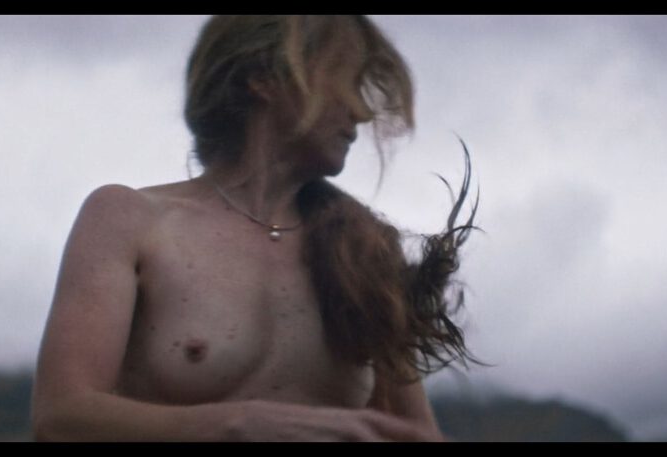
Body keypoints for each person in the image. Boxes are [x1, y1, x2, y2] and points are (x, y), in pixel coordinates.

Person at [31, 15, 482, 441]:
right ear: (264, 78)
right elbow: (60, 417)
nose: (362, 112)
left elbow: (414, 434)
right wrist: (232, 424)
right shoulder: (130, 220)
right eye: (345, 79)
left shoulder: (363, 249)